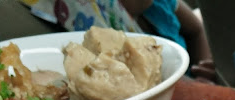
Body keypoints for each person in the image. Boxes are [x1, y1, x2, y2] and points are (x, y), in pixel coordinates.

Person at [24, 0, 216, 82]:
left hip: (199, 82)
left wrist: (204, 66)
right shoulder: (98, 26)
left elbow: (196, 31)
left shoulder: (162, 3)